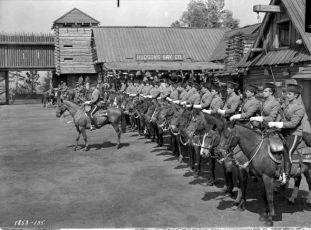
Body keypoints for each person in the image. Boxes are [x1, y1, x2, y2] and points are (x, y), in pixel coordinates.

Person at [268, 84, 305, 185]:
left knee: (286, 151)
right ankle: (276, 172)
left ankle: (286, 175)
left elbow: (293, 123)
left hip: (295, 133)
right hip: (284, 131)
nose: (287, 95)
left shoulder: (300, 107)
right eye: (286, 93)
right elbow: (283, 117)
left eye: (290, 93)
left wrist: (277, 123)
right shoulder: (286, 105)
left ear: (296, 95)